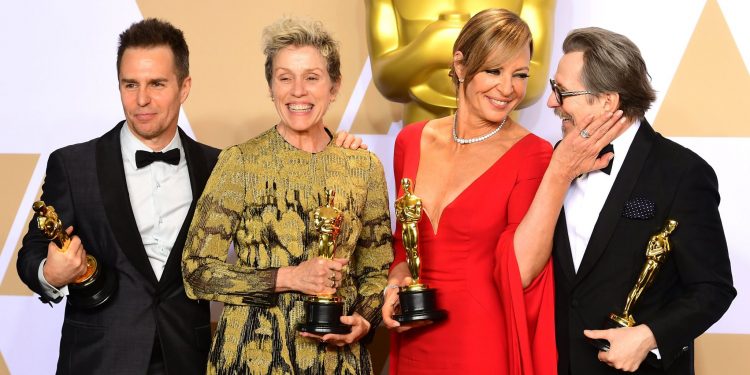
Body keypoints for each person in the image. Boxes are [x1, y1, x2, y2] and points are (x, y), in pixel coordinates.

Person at [15, 18, 364, 375]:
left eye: (157, 84)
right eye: (130, 84)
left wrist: (336, 152)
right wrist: (50, 273)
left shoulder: (220, 165)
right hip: (100, 359)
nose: (142, 99)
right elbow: (32, 253)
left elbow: (292, 197)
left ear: (184, 87)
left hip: (187, 359)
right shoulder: (74, 165)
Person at [381, 9, 624, 374]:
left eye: (520, 74)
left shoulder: (534, 155)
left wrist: (558, 174)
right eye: (494, 71)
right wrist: (395, 283)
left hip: (483, 345)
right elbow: (405, 243)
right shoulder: (410, 141)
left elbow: (524, 269)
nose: (508, 88)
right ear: (460, 66)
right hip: (416, 341)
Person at [181, 17, 393, 375]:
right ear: (271, 86)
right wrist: (288, 277)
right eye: (285, 78)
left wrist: (364, 319)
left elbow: (378, 269)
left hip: (338, 359)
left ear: (334, 85)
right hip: (250, 355)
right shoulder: (240, 162)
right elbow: (196, 271)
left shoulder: (363, 166)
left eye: (312, 77)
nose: (298, 91)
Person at [548, 27, 736, 374]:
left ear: (607, 101)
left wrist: (649, 337)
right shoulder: (559, 158)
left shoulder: (682, 172)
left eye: (561, 92)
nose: (551, 103)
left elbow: (713, 288)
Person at [365, 0, 554, 124]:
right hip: (421, 127)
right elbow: (385, 79)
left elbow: (533, 80)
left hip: (498, 133)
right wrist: (428, 48)